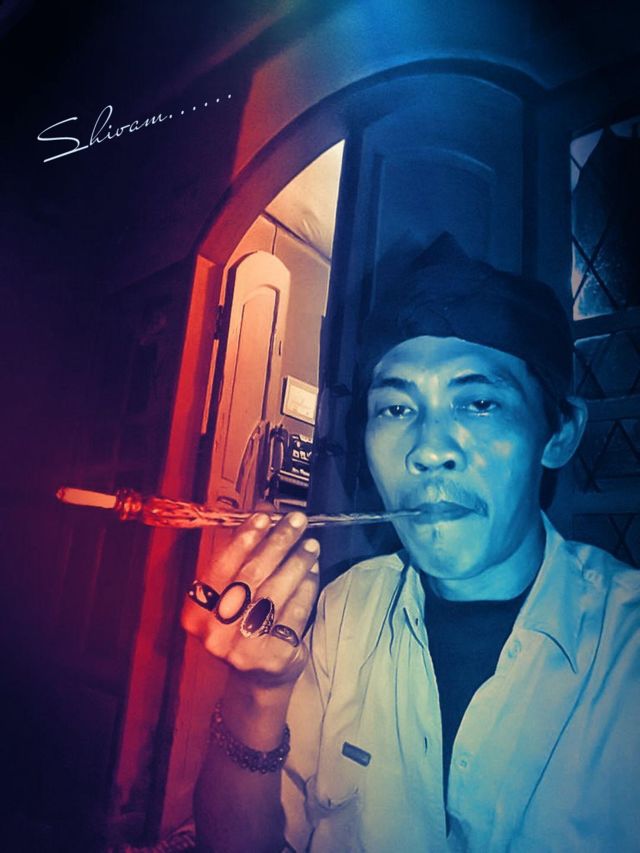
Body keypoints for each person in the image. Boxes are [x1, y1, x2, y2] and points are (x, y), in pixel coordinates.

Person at [182, 234, 640, 852]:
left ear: (558, 432)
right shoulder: (346, 610)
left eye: (480, 403)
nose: (427, 450)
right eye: (396, 409)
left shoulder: (627, 645)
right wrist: (256, 693)